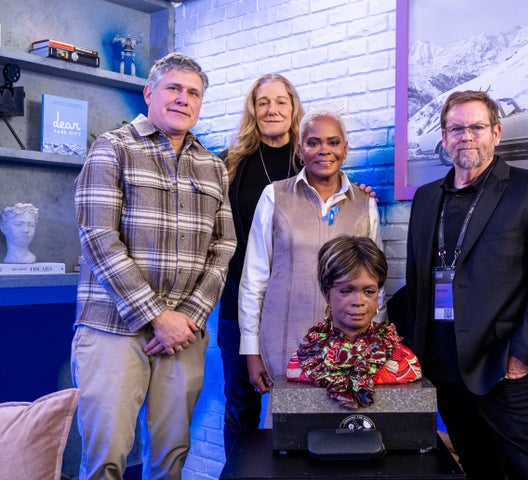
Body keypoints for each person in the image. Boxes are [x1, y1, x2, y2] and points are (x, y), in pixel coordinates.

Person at [71, 52, 236, 480]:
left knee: (170, 458)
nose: (183, 99)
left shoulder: (213, 166)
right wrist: (156, 316)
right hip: (113, 328)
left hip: (183, 335)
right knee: (106, 458)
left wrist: (188, 318)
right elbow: (99, 239)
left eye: (193, 93)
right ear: (150, 93)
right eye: (174, 88)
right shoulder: (112, 149)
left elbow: (224, 246)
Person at [405, 90, 528, 480]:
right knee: (476, 468)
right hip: (441, 368)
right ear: (444, 137)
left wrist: (522, 358)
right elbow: (417, 280)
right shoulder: (426, 197)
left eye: (477, 127)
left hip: (503, 368)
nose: (466, 136)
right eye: (456, 129)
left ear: (496, 133)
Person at [238, 108, 382, 424]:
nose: (324, 150)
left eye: (333, 142)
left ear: (345, 148)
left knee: (342, 440)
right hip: (284, 342)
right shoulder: (275, 196)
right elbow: (254, 278)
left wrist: (375, 350)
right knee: (287, 441)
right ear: (301, 150)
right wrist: (251, 351)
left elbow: (375, 289)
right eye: (313, 143)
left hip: (349, 348)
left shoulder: (364, 205)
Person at [217, 73, 304, 453]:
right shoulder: (230, 164)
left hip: (296, 308)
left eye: (280, 101)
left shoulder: (310, 160)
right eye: (263, 101)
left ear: (293, 107)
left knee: (301, 408)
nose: (272, 109)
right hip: (238, 304)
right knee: (241, 410)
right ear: (253, 109)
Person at [286, 235, 421, 409]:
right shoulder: (303, 361)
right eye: (346, 291)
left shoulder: (403, 361)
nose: (358, 300)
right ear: (327, 294)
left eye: (369, 291)